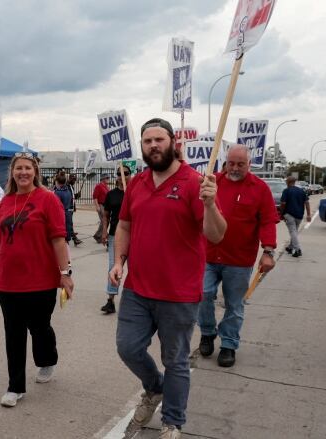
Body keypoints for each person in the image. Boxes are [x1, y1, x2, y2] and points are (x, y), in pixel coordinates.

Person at [109, 118, 226, 438]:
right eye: (147, 141)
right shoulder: (137, 182)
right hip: (138, 288)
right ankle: (155, 388)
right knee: (127, 348)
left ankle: (173, 421)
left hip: (179, 292)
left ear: (173, 142)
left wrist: (211, 204)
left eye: (159, 139)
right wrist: (119, 260)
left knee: (174, 360)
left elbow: (215, 235)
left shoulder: (194, 182)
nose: (153, 146)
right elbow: (125, 226)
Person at [0, 152, 74, 408]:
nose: (23, 173)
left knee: (39, 328)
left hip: (41, 280)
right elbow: (2, 235)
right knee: (13, 334)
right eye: (19, 169)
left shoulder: (47, 200)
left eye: (28, 168)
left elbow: (58, 239)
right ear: (12, 173)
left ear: (35, 172)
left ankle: (47, 360)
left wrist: (65, 273)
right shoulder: (5, 202)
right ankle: (15, 387)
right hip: (7, 281)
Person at [198, 145, 278, 367]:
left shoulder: (260, 189)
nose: (234, 168)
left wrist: (268, 251)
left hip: (239, 260)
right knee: (202, 294)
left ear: (249, 164)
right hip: (208, 255)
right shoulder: (212, 185)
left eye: (240, 164)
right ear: (226, 161)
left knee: (235, 305)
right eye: (231, 163)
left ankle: (228, 344)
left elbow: (268, 221)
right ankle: (207, 332)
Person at [100, 168, 130, 314]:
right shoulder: (111, 195)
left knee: (137, 268)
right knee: (114, 266)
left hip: (135, 236)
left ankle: (137, 301)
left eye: (125, 173)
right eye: (119, 174)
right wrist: (104, 231)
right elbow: (105, 215)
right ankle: (110, 300)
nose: (122, 176)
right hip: (115, 236)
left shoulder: (135, 192)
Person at [280, 175, 311, 257]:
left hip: (289, 214)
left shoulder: (286, 191)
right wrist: (308, 214)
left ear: (288, 182)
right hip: (299, 215)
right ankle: (290, 247)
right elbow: (307, 202)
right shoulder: (301, 191)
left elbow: (283, 204)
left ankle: (297, 249)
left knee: (293, 232)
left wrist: (281, 214)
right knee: (294, 231)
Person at [52, 171, 81, 247]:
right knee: (68, 225)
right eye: (73, 179)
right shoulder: (66, 189)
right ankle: (72, 238)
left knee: (68, 224)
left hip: (66, 210)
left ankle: (71, 237)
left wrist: (76, 196)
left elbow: (71, 198)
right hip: (66, 210)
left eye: (75, 179)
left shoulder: (62, 190)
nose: (74, 181)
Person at [92, 174, 110, 243]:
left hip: (105, 205)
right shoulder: (98, 186)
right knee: (103, 221)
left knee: (105, 221)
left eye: (108, 178)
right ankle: (98, 235)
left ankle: (100, 235)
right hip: (101, 205)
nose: (108, 179)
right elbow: (95, 197)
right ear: (103, 179)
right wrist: (97, 206)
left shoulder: (106, 186)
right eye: (107, 178)